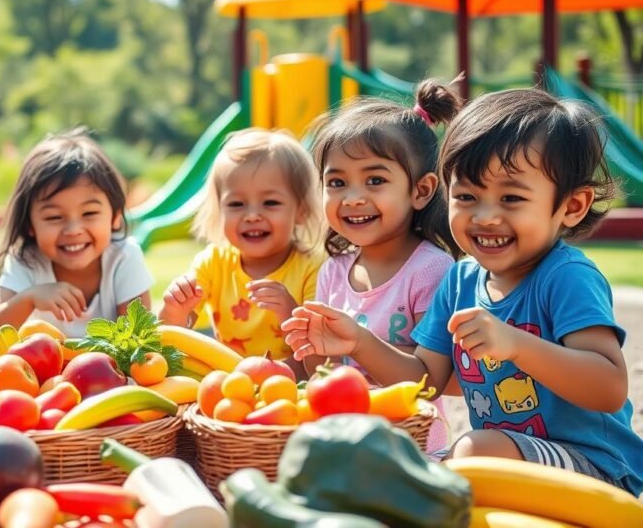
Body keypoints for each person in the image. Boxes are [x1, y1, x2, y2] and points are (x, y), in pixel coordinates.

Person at [285, 88, 643, 495]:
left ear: (572, 206)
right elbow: (425, 382)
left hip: (594, 465)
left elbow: (609, 387)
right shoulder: (460, 281)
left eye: (511, 198)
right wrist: (361, 341)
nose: (485, 217)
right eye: (467, 197)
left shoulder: (566, 277)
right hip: (511, 460)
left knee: (469, 452)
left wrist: (517, 346)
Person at [290, 79, 464, 455]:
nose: (353, 198)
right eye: (336, 182)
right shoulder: (333, 271)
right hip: (341, 444)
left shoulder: (431, 270)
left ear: (420, 190)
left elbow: (431, 382)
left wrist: (361, 343)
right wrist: (311, 346)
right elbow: (323, 372)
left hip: (410, 449)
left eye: (375, 180)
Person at [160, 129, 323, 363]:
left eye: (270, 202)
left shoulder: (313, 268)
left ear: (301, 211)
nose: (252, 215)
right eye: (236, 204)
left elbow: (318, 361)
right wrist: (176, 309)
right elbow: (170, 342)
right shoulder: (213, 262)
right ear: (220, 210)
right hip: (229, 382)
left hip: (292, 383)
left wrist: (289, 312)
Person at [0, 128, 154, 338]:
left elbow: (140, 341)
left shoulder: (124, 257)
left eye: (89, 213)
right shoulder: (27, 261)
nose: (73, 230)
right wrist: (28, 299)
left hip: (111, 371)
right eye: (54, 217)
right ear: (30, 224)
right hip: (42, 370)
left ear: (114, 217)